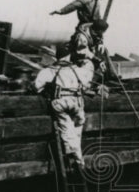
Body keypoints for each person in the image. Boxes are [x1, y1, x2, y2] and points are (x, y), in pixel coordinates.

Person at [35, 48, 96, 176]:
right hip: (76, 102)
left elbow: (37, 87)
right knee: (79, 123)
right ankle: (76, 151)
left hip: (60, 102)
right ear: (69, 56)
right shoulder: (78, 70)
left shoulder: (48, 71)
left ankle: (71, 149)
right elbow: (86, 85)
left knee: (65, 125)